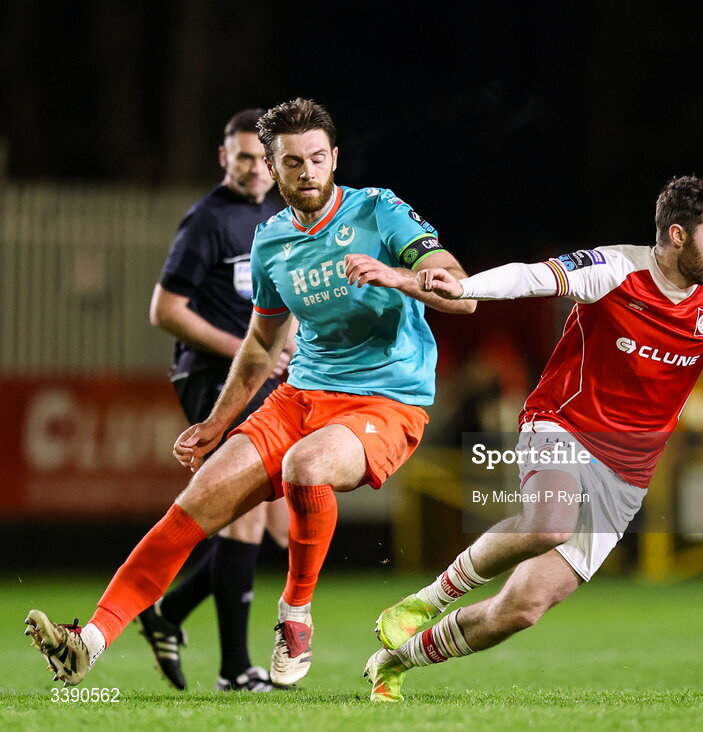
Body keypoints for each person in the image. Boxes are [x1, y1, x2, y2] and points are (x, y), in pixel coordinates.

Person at [25, 97, 475, 689]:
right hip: (300, 397)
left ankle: (294, 615)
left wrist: (401, 276)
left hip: (385, 400)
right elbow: (261, 347)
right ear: (273, 167)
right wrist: (217, 422)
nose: (308, 171)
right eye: (293, 162)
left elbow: (464, 293)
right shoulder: (271, 244)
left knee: (305, 466)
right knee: (191, 508)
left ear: (335, 158)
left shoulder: (381, 213)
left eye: (318, 158)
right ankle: (87, 644)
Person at [362, 175, 703, 701]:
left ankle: (394, 661)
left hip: (628, 471)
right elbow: (530, 278)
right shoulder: (616, 269)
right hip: (562, 424)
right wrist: (464, 288)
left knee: (521, 609)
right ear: (677, 235)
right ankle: (424, 601)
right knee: (550, 522)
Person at [142, 108, 293, 692]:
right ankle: (235, 668)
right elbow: (166, 310)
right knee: (249, 514)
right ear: (224, 157)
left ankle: (168, 613)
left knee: (276, 525)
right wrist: (247, 351)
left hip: (266, 381)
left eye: (264, 157)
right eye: (245, 156)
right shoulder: (207, 221)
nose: (256, 168)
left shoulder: (277, 217)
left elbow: (287, 302)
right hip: (213, 378)